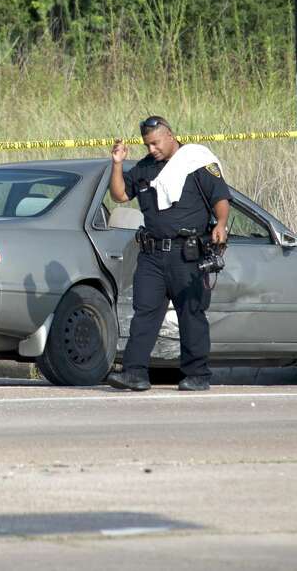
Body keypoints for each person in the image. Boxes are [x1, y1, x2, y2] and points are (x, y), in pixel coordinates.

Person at [105, 116, 230, 392]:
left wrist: (220, 224)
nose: (152, 149)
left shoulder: (196, 161)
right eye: (147, 144)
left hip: (187, 254)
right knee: (144, 313)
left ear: (170, 135)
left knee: (191, 313)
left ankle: (197, 375)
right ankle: (134, 373)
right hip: (152, 255)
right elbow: (120, 195)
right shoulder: (146, 168)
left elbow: (220, 196)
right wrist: (116, 163)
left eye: (155, 143)